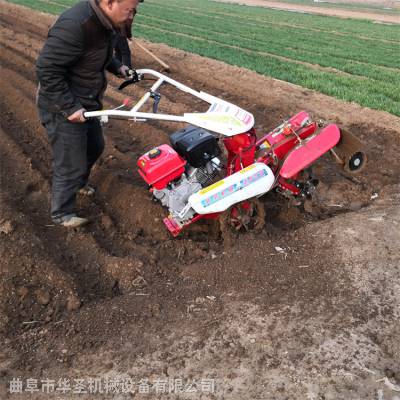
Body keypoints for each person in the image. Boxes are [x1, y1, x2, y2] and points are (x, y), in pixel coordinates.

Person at [36, 0, 141, 228]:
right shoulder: (76, 24)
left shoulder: (105, 23)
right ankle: (62, 213)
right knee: (70, 161)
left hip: (88, 102)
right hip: (62, 105)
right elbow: (47, 69)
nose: (132, 16)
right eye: (130, 10)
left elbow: (97, 53)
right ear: (109, 3)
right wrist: (70, 107)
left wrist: (117, 67)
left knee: (95, 146)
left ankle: (80, 183)